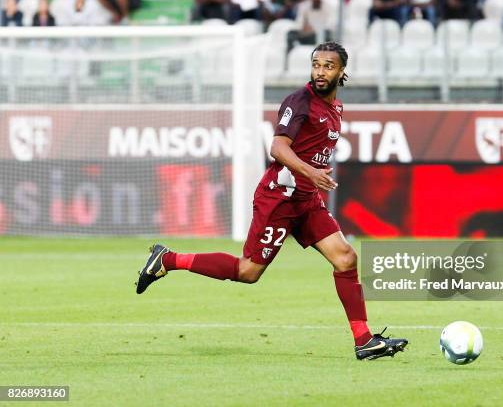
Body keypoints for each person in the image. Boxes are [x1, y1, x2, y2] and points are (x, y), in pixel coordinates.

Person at [136, 42, 409, 361]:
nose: (320, 71)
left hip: (306, 200)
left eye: (328, 66)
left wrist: (311, 179)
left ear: (342, 72)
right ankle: (168, 259)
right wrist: (311, 172)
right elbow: (278, 147)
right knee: (248, 271)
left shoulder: (336, 108)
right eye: (316, 64)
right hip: (279, 199)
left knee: (346, 258)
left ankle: (364, 340)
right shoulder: (300, 101)